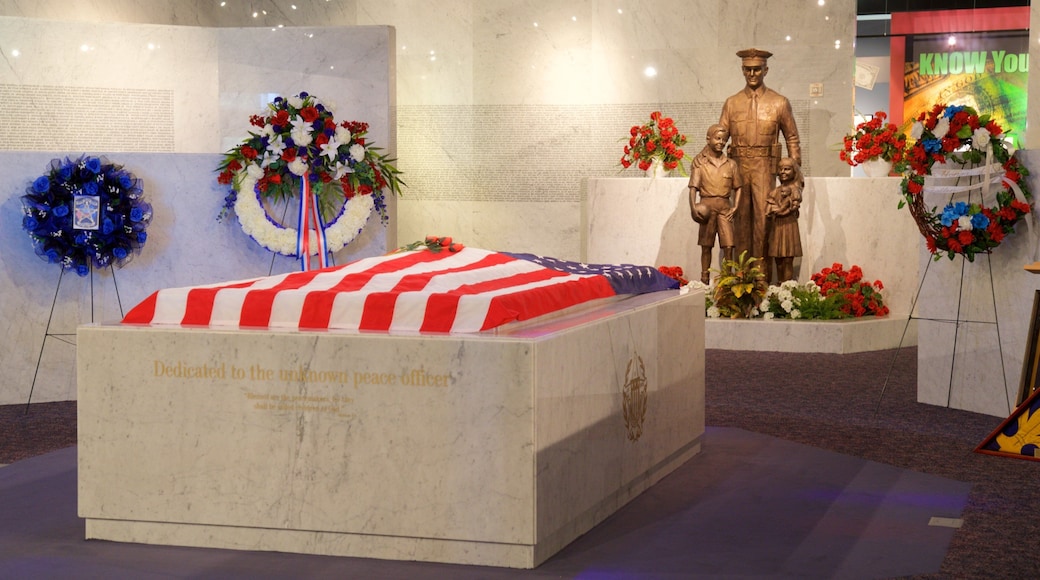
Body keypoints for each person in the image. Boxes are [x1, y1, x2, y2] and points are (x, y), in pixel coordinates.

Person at [718, 48, 801, 284]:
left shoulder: (779, 102)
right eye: (747, 69)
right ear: (742, 70)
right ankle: (741, 278)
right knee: (741, 220)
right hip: (738, 166)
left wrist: (795, 181)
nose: (752, 73)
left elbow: (792, 139)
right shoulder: (732, 103)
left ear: (766, 70)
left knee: (764, 221)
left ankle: (762, 280)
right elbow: (720, 137)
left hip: (766, 166)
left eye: (756, 69)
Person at [689, 124, 743, 285]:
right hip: (706, 207)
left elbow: (738, 187)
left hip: (725, 208)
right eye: (718, 138)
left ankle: (727, 278)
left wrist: (735, 207)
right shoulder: (701, 163)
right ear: (708, 139)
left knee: (729, 245)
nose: (721, 142)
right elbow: (693, 189)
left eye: (724, 140)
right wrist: (693, 207)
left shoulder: (731, 164)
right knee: (706, 246)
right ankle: (704, 279)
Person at [765, 158, 803, 282]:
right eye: (780, 169)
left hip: (789, 226)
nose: (783, 172)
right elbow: (768, 210)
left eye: (787, 169)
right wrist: (772, 210)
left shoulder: (795, 190)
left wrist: (779, 210)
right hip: (777, 227)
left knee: (788, 259)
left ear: (794, 171)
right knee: (778, 259)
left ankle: (787, 286)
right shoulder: (775, 191)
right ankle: (779, 286)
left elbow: (792, 208)